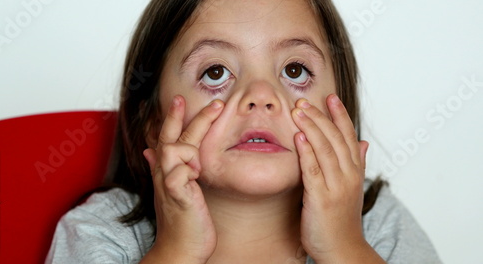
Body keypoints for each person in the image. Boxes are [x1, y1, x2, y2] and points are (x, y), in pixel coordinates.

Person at [46, 0, 441, 263]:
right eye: (215, 73)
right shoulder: (103, 230)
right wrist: (176, 250)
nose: (261, 96)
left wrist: (345, 247)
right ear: (152, 122)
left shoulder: (375, 222)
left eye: (294, 71)